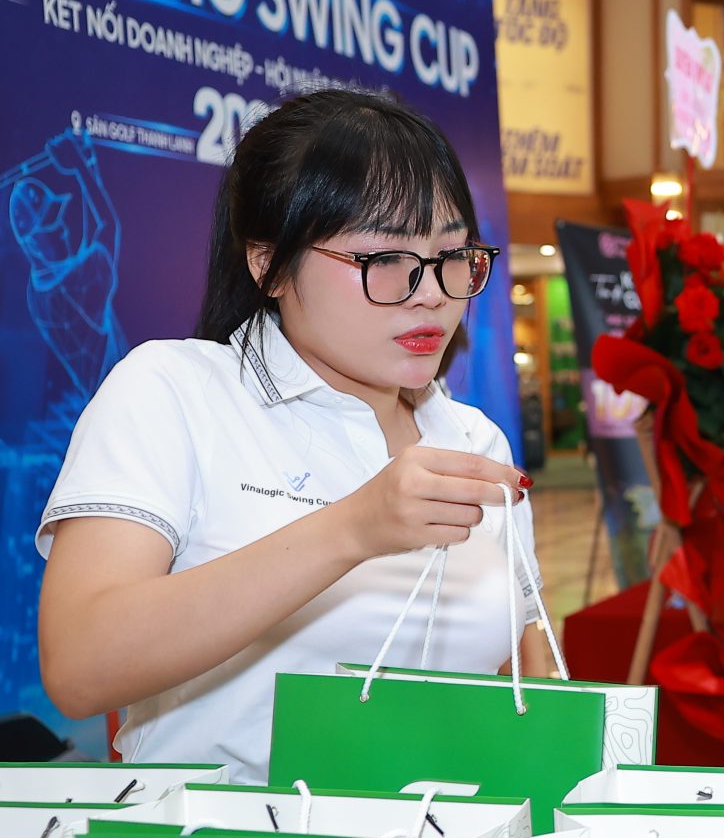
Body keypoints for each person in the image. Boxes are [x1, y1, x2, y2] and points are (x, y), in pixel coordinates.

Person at [36, 88, 547, 783]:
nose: (431, 292)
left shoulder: (475, 441)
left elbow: (527, 662)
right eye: (383, 257)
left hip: (450, 837)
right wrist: (353, 529)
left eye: (452, 254)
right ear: (268, 262)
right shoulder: (174, 392)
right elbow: (80, 665)